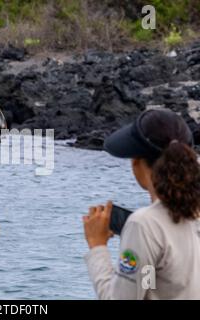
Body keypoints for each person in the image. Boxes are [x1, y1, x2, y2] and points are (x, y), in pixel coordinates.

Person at [83, 108, 200, 299]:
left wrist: (97, 245)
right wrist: (144, 251)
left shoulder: (144, 224)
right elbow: (159, 283)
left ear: (136, 163)